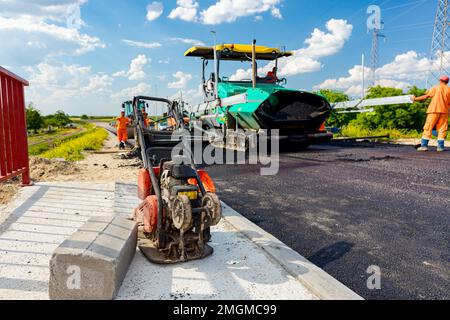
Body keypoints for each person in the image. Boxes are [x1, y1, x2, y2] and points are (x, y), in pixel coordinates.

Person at [412, 75, 450, 152]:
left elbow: (426, 96)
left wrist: (415, 98)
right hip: (444, 112)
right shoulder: (449, 90)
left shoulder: (436, 88)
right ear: (447, 82)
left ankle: (424, 146)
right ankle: (440, 147)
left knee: (428, 127)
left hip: (433, 110)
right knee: (442, 129)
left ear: (440, 81)